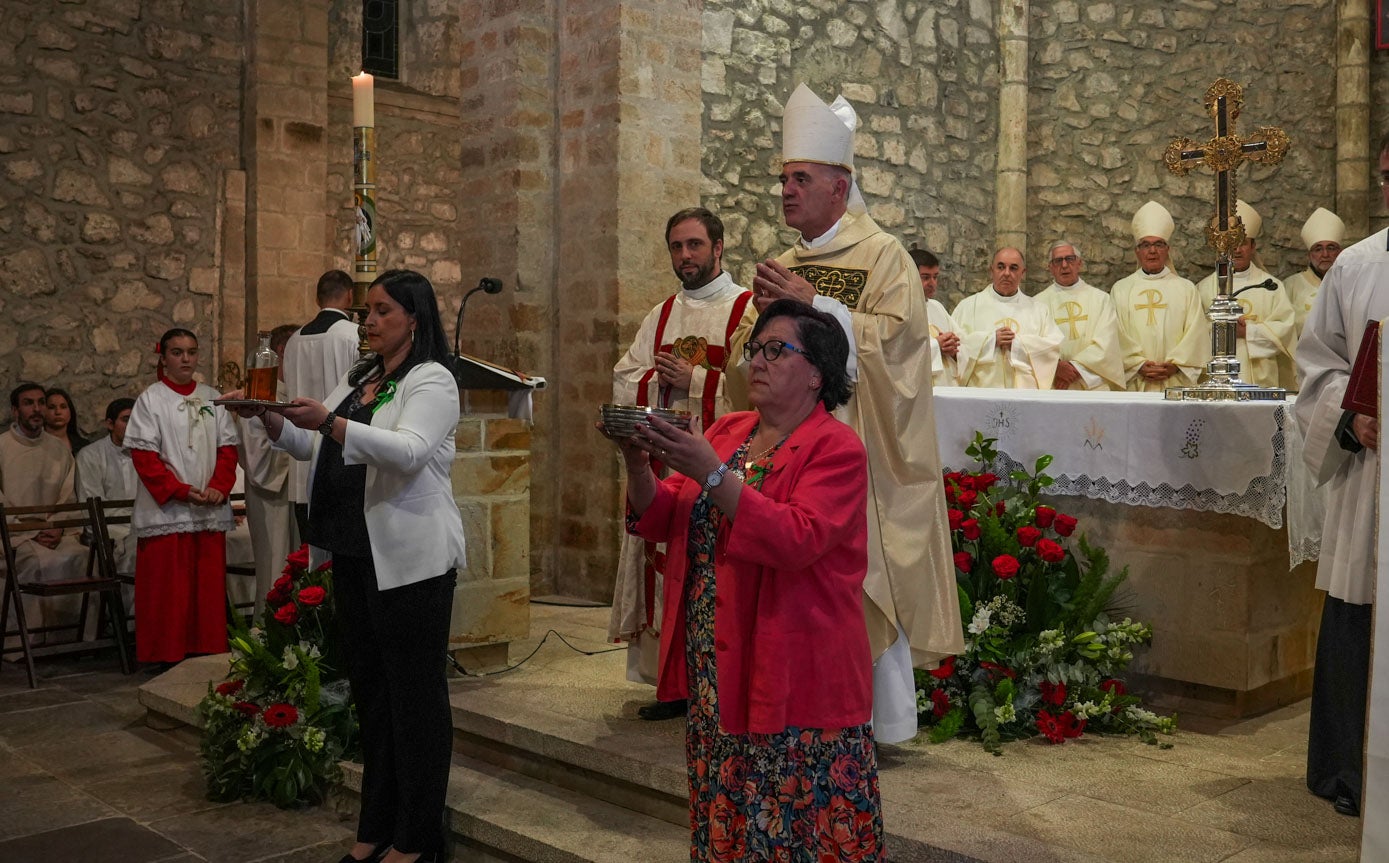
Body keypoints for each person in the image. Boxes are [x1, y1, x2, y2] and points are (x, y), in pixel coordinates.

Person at [609, 299, 883, 862]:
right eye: (755, 349)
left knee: (801, 824)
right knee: (730, 811)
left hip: (795, 665)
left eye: (775, 350)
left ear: (817, 373)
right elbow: (662, 517)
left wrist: (709, 471)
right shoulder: (731, 429)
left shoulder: (837, 447)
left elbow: (796, 538)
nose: (756, 360)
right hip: (719, 661)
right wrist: (639, 466)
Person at [748, 83, 962, 746]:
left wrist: (820, 306)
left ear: (839, 186)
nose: (785, 190)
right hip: (786, 455)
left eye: (800, 178)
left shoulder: (883, 255)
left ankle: (874, 721)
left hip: (855, 456)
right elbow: (746, 358)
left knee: (856, 578)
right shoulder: (780, 263)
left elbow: (900, 348)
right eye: (782, 179)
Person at [240, 269, 466, 863]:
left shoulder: (432, 379)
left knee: (415, 700)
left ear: (414, 318)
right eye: (366, 311)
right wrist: (270, 418)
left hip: (410, 561)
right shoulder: (361, 375)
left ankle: (417, 841)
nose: (368, 321)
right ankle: (374, 832)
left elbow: (412, 451)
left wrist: (332, 422)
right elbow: (314, 446)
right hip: (354, 551)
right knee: (371, 696)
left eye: (381, 311)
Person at [608, 207, 756, 722]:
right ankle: (669, 685)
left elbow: (751, 387)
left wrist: (696, 379)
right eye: (676, 246)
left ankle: (714, 681)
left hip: (719, 466)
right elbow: (626, 375)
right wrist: (656, 377)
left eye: (695, 245)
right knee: (662, 569)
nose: (685, 256)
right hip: (664, 467)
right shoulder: (661, 313)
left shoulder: (747, 309)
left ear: (718, 248)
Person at [1293, 131, 1389, 820]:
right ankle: (1348, 771)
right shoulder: (1355, 267)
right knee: (1358, 609)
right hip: (1373, 477)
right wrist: (1348, 419)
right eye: (1388, 174)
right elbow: (1316, 365)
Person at [124, 329, 239, 664]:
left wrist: (219, 486)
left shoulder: (211, 396)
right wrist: (181, 491)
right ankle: (165, 654)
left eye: (191, 352)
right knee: (167, 589)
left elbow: (227, 448)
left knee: (205, 586)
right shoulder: (151, 399)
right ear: (163, 358)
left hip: (208, 506)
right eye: (177, 352)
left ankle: (205, 649)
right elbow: (145, 457)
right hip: (168, 511)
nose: (185, 359)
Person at [0, 382, 84, 644]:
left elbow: (68, 495)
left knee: (84, 557)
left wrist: (57, 526)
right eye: (28, 403)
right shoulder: (2, 447)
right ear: (15, 410)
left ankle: (74, 640)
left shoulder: (59, 449)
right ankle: (33, 643)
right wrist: (33, 532)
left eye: (41, 403)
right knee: (39, 563)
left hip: (55, 532)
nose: (37, 409)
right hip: (16, 536)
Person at [282, 269, 361, 537]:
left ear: (317, 299)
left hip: (301, 460)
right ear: (350, 296)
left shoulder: (294, 340)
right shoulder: (354, 336)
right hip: (340, 462)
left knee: (309, 564)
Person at [1195, 199, 1297, 390]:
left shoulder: (1272, 286)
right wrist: (1226, 330)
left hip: (1262, 380)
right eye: (1232, 243)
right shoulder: (1205, 287)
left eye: (1243, 243)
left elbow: (1285, 331)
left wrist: (1248, 331)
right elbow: (1196, 334)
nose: (1237, 249)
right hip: (1217, 383)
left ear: (1253, 246)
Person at [233, 324, 298, 613]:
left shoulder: (295, 393)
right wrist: (302, 455)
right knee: (275, 569)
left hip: (295, 498)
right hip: (272, 497)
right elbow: (256, 460)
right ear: (283, 351)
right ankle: (271, 639)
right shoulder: (259, 394)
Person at [1111, 200, 1208, 392]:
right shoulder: (1121, 289)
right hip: (1135, 383)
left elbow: (1196, 333)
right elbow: (1114, 333)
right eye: (1145, 245)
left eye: (1158, 244)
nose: (1152, 251)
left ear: (1168, 250)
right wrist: (1137, 364)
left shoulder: (1186, 289)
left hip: (1176, 381)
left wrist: (1176, 364)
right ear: (1137, 252)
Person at [952, 247, 1064, 388]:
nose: (1006, 273)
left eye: (1013, 268)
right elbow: (955, 348)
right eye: (1001, 267)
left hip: (1025, 394)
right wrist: (991, 340)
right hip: (982, 393)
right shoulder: (967, 307)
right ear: (991, 270)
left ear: (1022, 273)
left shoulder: (1039, 310)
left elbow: (1052, 348)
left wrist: (1018, 344)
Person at [1035, 242, 1126, 390]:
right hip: (1054, 384)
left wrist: (1075, 369)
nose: (1064, 265)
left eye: (1070, 259)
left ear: (1079, 263)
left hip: (1092, 385)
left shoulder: (1101, 300)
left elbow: (1107, 344)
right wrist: (1056, 367)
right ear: (1050, 267)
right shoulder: (1038, 303)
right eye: (1058, 261)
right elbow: (1034, 345)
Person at [76, 397, 139, 574]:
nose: (133, 425)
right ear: (110, 424)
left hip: (142, 527)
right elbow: (93, 508)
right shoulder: (91, 456)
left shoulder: (149, 455)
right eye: (126, 420)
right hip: (110, 531)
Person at [912, 248, 969, 387]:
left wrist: (954, 351)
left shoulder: (937, 307)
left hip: (948, 388)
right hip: (920, 389)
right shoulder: (899, 309)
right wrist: (937, 345)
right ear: (910, 275)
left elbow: (963, 344)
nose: (932, 283)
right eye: (925, 277)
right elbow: (900, 354)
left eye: (935, 277)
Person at [1285, 207, 1346, 338]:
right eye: (1318, 249)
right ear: (1309, 254)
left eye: (1331, 248)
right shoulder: (1291, 286)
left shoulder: (1350, 283)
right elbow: (1285, 327)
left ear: (1340, 252)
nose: (1325, 254)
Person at [43, 387, 89, 454]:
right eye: (51, 407)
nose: (58, 412)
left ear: (70, 411)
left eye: (63, 407)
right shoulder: (34, 445)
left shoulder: (84, 446)